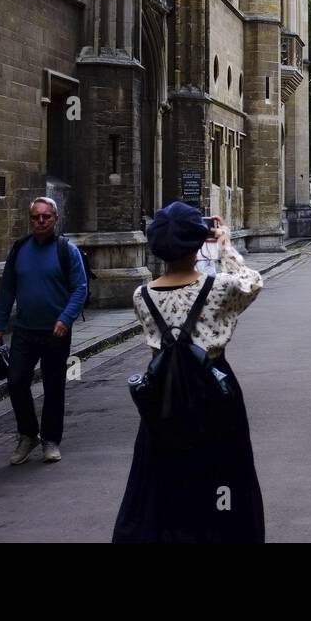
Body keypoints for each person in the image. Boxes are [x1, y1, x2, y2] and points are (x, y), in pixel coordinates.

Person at [113, 204, 265, 543]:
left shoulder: (142, 295)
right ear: (199, 243)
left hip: (164, 392)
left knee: (162, 475)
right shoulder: (220, 287)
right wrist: (224, 245)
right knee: (225, 472)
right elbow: (253, 282)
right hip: (213, 386)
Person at [0, 196, 88, 465]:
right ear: (30, 219)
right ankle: (27, 434)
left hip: (56, 332)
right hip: (24, 330)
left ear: (55, 219)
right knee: (16, 381)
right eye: (36, 217)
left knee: (53, 386)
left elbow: (80, 288)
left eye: (46, 217)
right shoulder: (20, 248)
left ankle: (50, 439)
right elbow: (7, 287)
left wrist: (65, 319)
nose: (41, 221)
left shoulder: (66, 250)